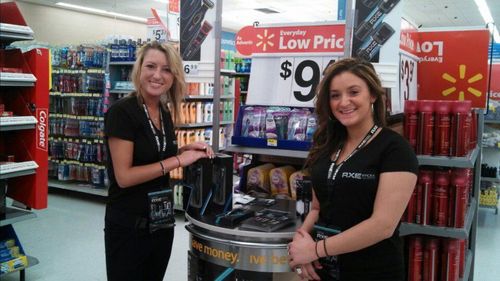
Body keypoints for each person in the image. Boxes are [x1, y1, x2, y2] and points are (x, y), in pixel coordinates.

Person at [288, 58, 418, 281]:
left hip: (372, 271)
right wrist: (300, 244)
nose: (343, 102)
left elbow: (383, 225)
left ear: (373, 95)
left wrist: (315, 250)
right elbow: (317, 209)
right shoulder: (326, 145)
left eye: (354, 92)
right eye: (335, 95)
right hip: (324, 270)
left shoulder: (395, 149)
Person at [104, 41, 214, 281]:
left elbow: (154, 153)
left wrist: (187, 149)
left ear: (173, 76)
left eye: (166, 69)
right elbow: (124, 177)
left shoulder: (162, 111)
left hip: (161, 224)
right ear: (139, 70)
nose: (157, 75)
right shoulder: (122, 112)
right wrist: (177, 160)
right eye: (151, 66)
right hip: (130, 228)